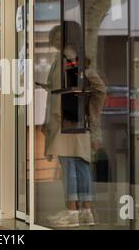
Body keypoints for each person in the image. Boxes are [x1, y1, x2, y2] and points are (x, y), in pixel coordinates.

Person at [42, 24, 106, 228]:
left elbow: (58, 93)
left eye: (57, 36)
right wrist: (89, 112)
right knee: (82, 165)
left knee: (69, 166)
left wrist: (55, 116)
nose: (54, 40)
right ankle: (85, 211)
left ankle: (72, 211)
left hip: (64, 122)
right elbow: (99, 88)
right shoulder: (79, 59)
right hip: (77, 120)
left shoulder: (63, 59)